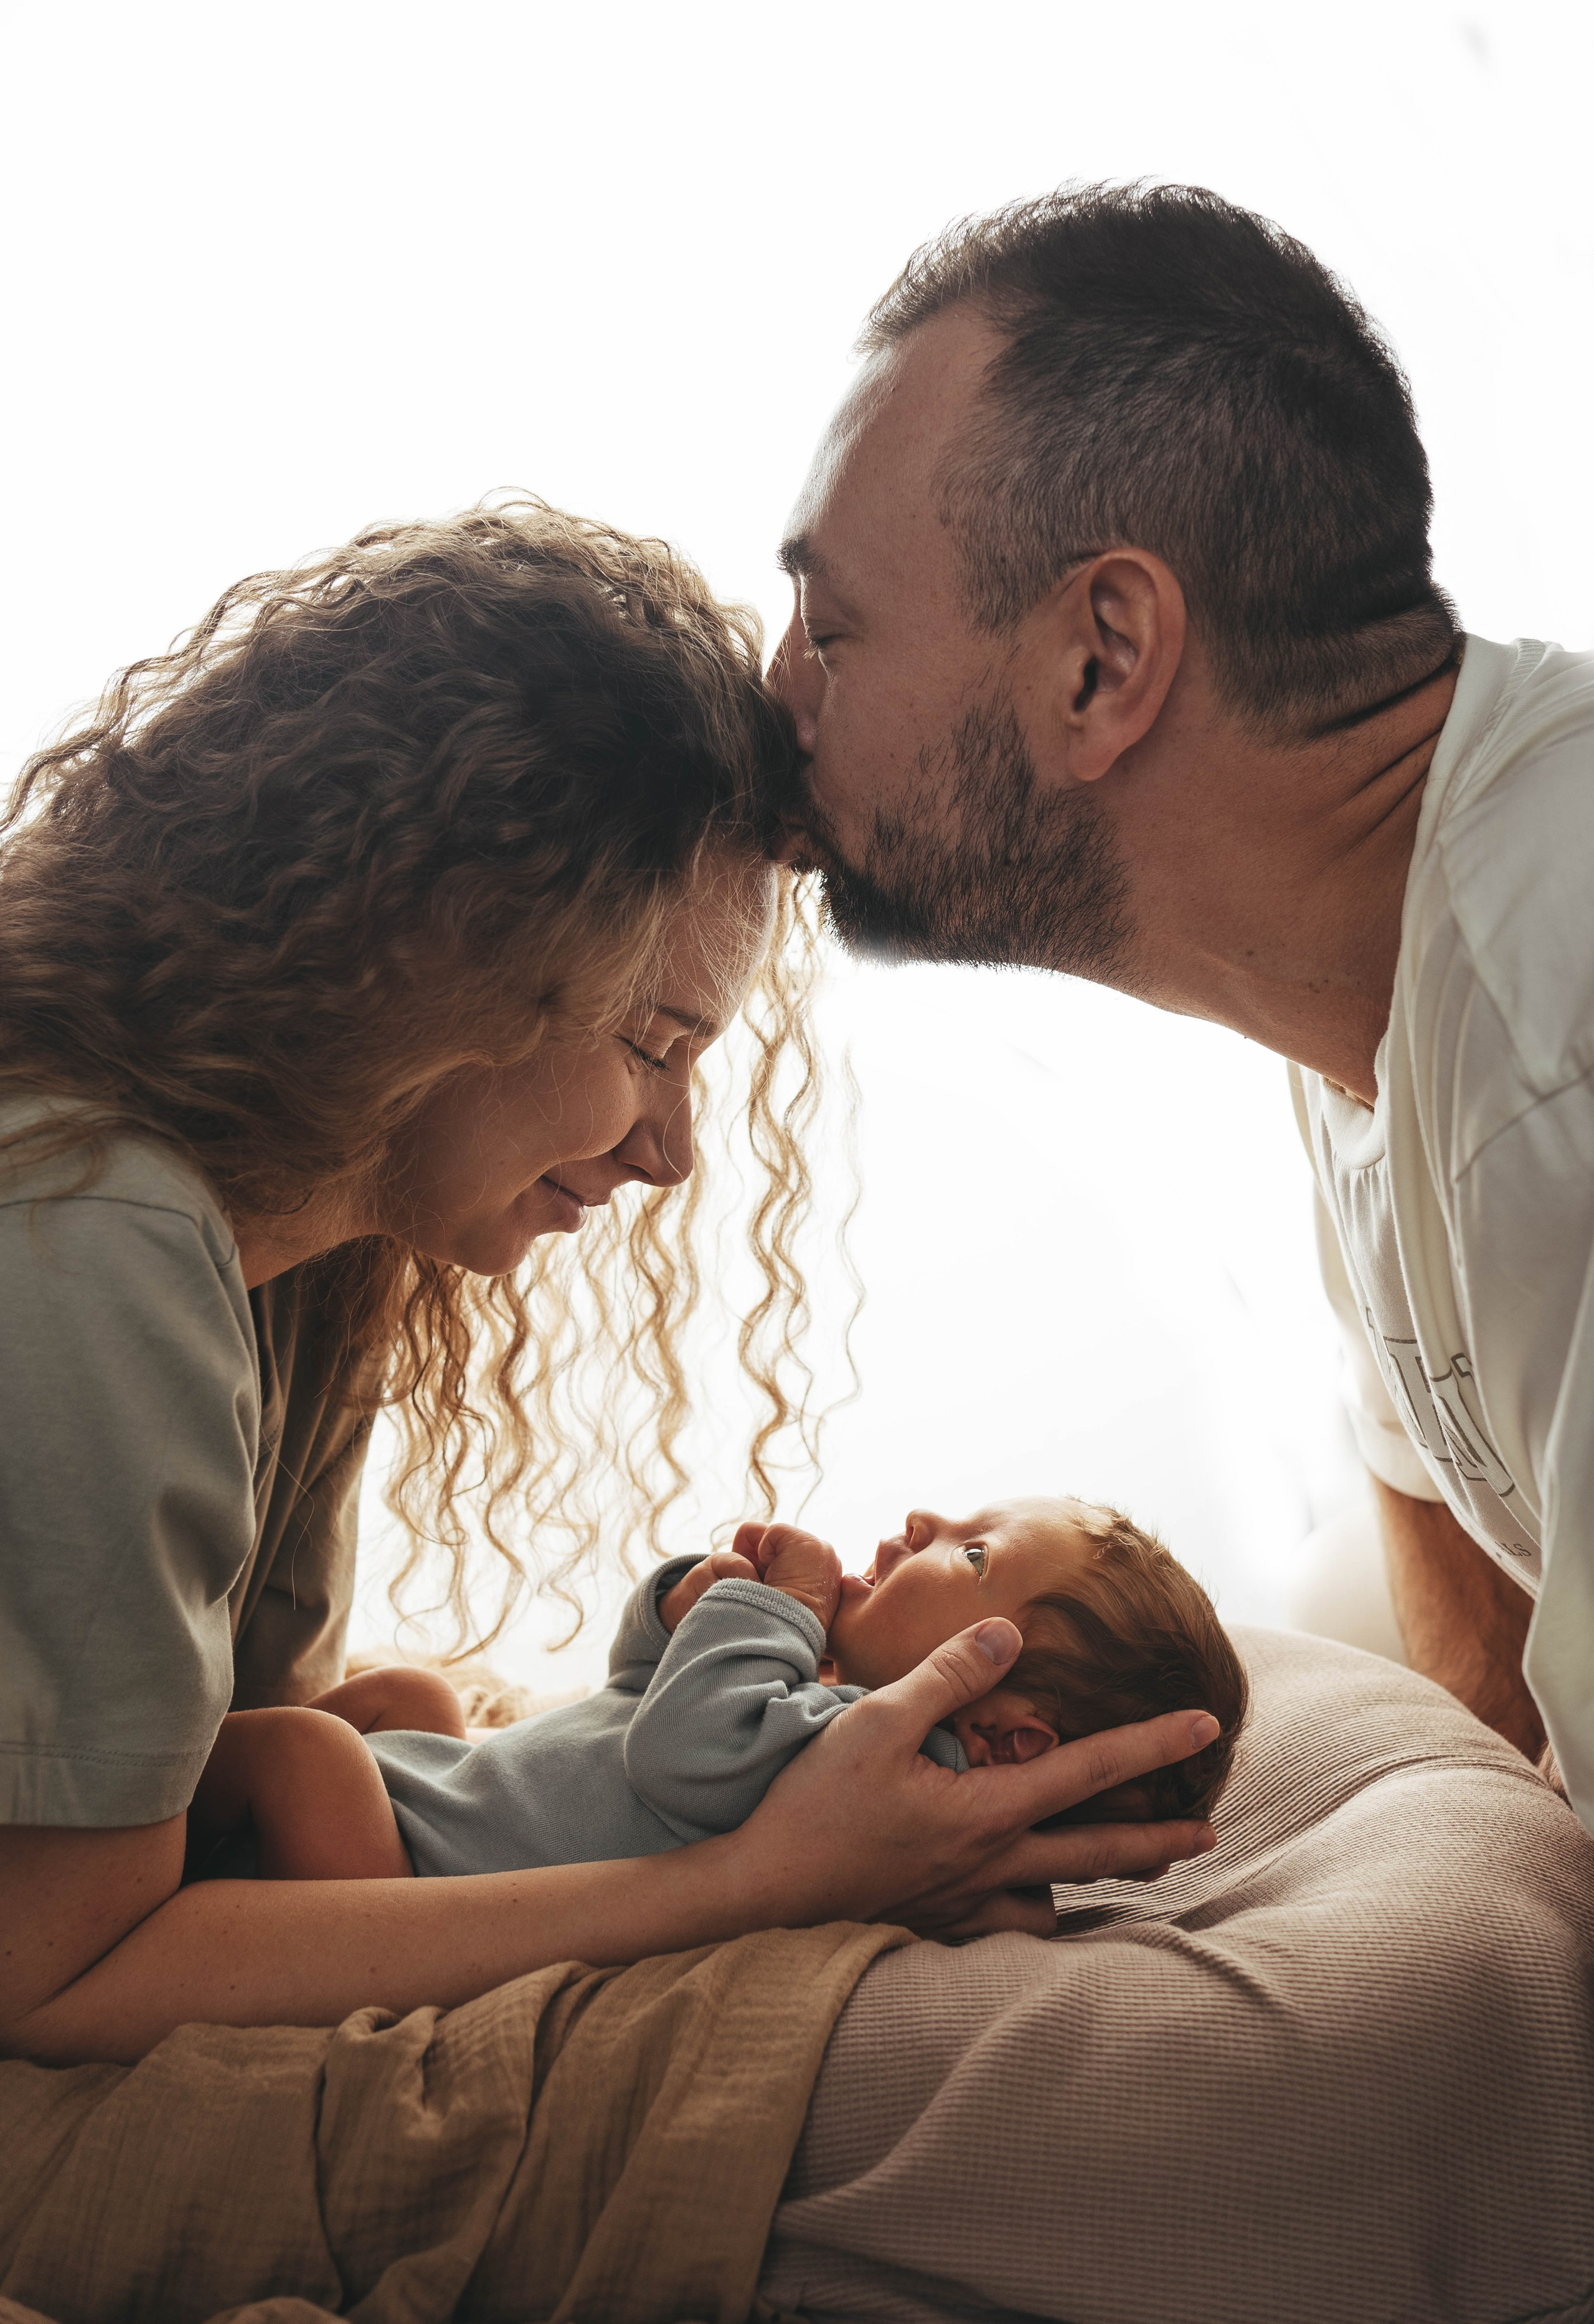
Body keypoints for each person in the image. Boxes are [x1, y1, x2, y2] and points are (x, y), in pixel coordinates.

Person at [0, 497, 1223, 2069]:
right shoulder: (100, 1235)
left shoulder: (307, 1269)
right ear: (427, 964)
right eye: (652, 1044)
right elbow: (51, 1979)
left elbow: (235, 1766)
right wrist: (763, 1883)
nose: (671, 1153)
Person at [772, 182, 1594, 1831]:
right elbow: (1446, 1526)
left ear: (1100, 658)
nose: (776, 687)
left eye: (831, 627)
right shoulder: (1359, 965)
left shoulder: (1547, 1042)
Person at [187, 1500, 1247, 1880]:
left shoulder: (878, 1762)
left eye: (974, 1555)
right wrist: (681, 1611)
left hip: (411, 1889)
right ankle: (198, 1837)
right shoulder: (810, 1709)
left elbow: (681, 1752)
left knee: (305, 1755)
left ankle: (155, 1842)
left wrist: (780, 1606)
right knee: (415, 1699)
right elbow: (632, 1706)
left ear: (1012, 1737)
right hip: (435, 1821)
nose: (924, 1521)